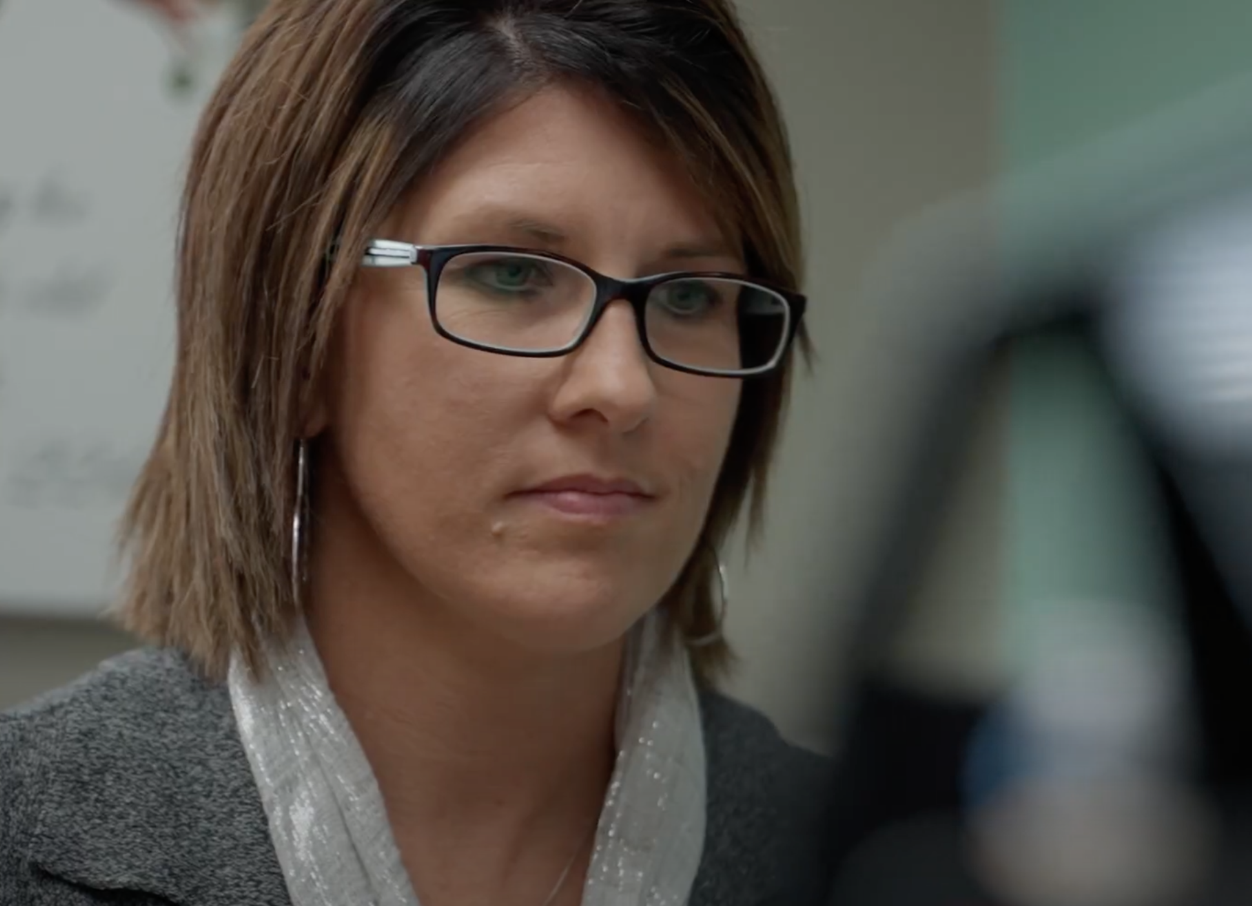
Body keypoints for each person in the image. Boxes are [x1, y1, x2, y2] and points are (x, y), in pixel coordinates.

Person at [0, 2, 824, 905]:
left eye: (691, 295)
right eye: (511, 274)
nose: (624, 387)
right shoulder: (24, 832)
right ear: (294, 343)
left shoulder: (878, 858)